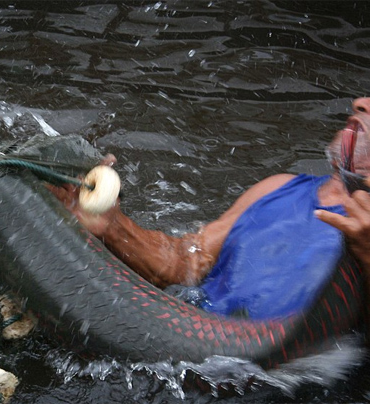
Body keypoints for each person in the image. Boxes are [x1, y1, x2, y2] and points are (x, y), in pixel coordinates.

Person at [51, 97, 370, 320]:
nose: (361, 102)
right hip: (192, 350)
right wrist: (111, 225)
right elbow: (184, 262)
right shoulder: (277, 187)